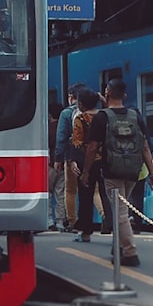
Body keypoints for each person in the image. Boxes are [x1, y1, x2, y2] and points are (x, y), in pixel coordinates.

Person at [81, 79, 153, 266]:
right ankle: (118, 247)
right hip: (132, 170)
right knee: (121, 208)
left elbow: (92, 147)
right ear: (124, 95)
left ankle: (130, 252)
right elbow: (145, 147)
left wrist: (86, 171)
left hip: (112, 170)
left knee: (120, 213)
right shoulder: (135, 115)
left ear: (106, 93)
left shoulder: (102, 117)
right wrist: (152, 173)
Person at [71, 87, 112, 243]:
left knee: (85, 197)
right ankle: (114, 225)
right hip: (107, 160)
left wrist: (75, 161)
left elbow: (77, 143)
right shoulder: (105, 116)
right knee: (108, 195)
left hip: (86, 162)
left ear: (80, 104)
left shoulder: (80, 119)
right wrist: (104, 102)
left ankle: (86, 232)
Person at [54, 82, 86, 232]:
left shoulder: (66, 113)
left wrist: (58, 158)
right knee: (96, 191)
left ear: (71, 97)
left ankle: (73, 221)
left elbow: (61, 138)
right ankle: (105, 215)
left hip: (71, 156)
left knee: (70, 190)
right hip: (91, 156)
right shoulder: (93, 112)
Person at [48, 102, 66, 230]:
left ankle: (49, 219)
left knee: (47, 193)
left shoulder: (47, 128)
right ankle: (60, 220)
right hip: (63, 163)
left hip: (49, 164)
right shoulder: (63, 128)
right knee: (60, 193)